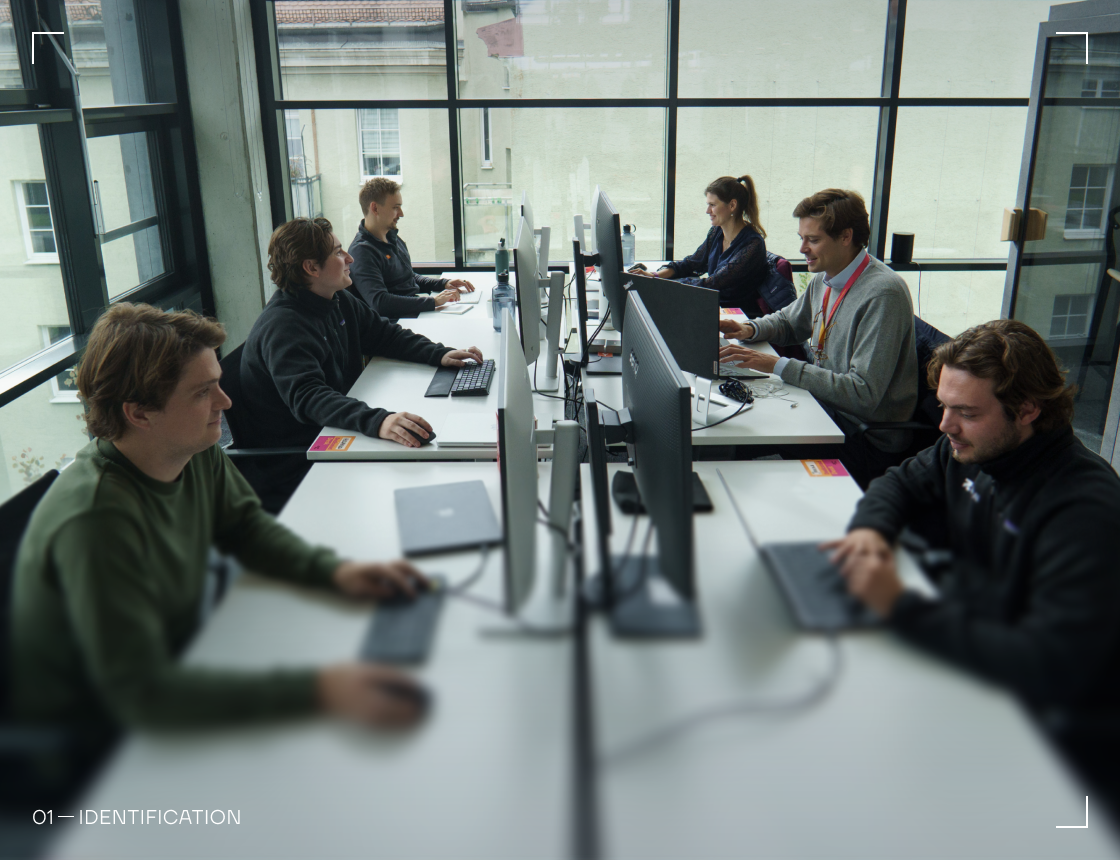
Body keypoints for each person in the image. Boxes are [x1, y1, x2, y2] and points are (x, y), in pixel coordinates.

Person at [10, 302, 434, 752]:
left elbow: (245, 527)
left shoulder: (190, 446)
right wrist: (319, 692)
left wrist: (333, 572)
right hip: (95, 745)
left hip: (182, 655)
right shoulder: (95, 521)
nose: (225, 402)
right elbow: (144, 698)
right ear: (139, 413)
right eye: (202, 392)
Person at [822, 319, 1120, 810]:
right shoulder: (975, 447)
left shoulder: (1083, 510)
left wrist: (898, 608)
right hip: (972, 668)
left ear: (1027, 410)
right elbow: (898, 483)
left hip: (1058, 750)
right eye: (943, 407)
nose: (945, 426)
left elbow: (1048, 666)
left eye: (965, 412)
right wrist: (871, 533)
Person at [239, 217, 483, 511]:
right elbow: (309, 397)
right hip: (302, 456)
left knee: (427, 445)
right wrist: (378, 421)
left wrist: (438, 354)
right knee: (419, 462)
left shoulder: (335, 298)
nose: (349, 258)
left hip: (333, 430)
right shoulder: (284, 326)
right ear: (311, 268)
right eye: (338, 252)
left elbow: (383, 335)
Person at [718, 188, 917, 487]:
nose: (802, 249)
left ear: (846, 237)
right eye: (802, 238)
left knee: (736, 435)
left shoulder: (883, 294)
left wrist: (777, 365)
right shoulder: (827, 278)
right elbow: (789, 321)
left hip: (861, 434)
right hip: (826, 408)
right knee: (734, 424)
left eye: (813, 240)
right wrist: (750, 329)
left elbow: (863, 394)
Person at [640, 175, 794, 314]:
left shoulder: (752, 245)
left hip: (739, 318)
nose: (708, 211)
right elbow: (691, 264)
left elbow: (714, 283)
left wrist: (661, 286)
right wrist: (654, 276)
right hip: (715, 308)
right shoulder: (716, 232)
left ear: (732, 205)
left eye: (712, 205)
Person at [348, 177, 474, 319]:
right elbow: (380, 302)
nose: (401, 213)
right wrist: (433, 302)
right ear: (375, 208)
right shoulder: (362, 252)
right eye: (395, 207)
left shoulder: (392, 238)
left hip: (413, 315)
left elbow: (408, 278)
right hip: (397, 325)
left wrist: (444, 284)